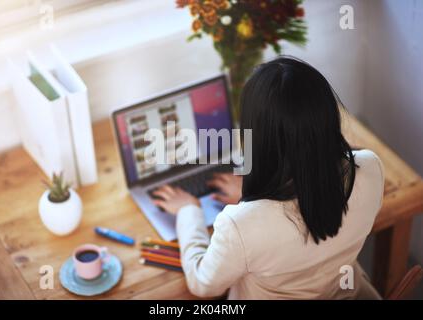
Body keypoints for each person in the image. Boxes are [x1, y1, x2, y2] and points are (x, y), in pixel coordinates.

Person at [151, 56, 384, 299]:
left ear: (257, 137)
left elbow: (203, 284)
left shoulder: (240, 225)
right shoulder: (370, 169)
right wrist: (255, 196)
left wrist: (189, 211)